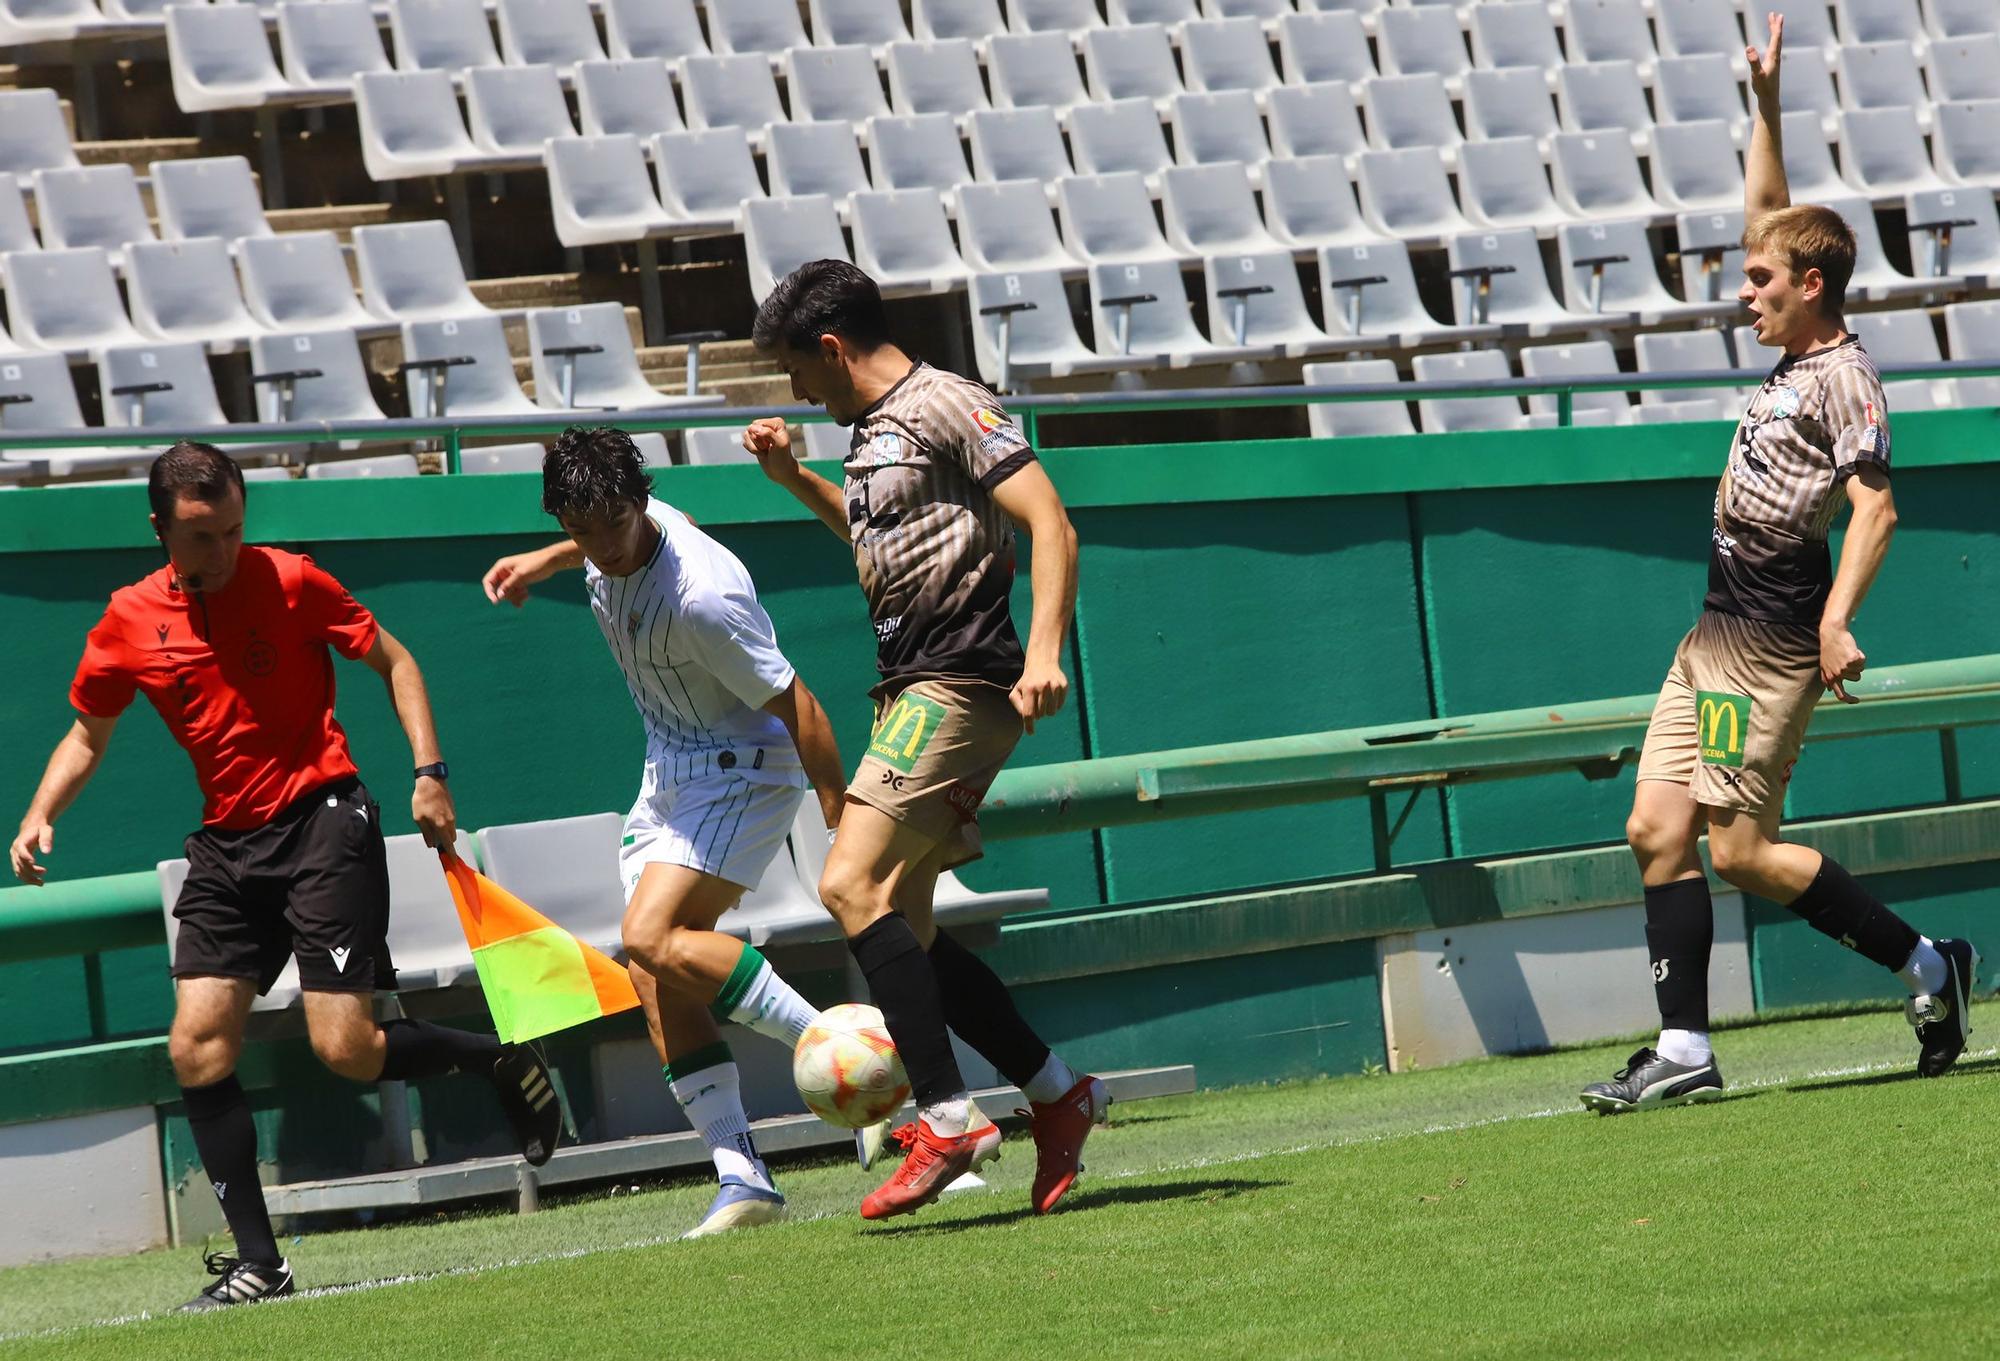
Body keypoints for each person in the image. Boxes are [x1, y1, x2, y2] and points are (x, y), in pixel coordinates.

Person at [8, 442, 561, 1310]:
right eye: (200, 536)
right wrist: (42, 813)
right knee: (195, 1045)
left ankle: (495, 1062)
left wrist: (430, 772)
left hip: (324, 822)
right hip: (229, 849)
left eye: (233, 529)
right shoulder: (126, 619)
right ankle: (261, 1264)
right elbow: (86, 733)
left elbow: (398, 662)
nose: (223, 552)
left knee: (344, 1049)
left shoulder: (294, 581)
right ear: (159, 530)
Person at [1580, 15, 1976, 1113]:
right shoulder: (1794, 324)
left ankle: (1930, 964)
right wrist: (1762, 105)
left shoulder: (1846, 378)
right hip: (1713, 635)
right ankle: (1682, 1048)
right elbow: (1768, 212)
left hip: (1763, 649)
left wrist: (1838, 619)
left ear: (1809, 285)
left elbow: (1876, 509)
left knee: (1742, 850)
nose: (1741, 289)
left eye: (1760, 279)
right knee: (1654, 827)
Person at [742, 260, 1103, 1221]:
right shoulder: (868, 436)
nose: (795, 393)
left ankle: (945, 1117)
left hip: (961, 681)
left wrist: (1044, 652)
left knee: (845, 884)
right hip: (909, 689)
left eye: (795, 370)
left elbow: (1049, 517)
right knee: (907, 917)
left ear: (830, 347)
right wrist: (793, 480)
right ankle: (1058, 1089)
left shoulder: (944, 401)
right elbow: (874, 540)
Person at [481, 426, 865, 1238]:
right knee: (654, 972)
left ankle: (852, 1057)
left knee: (652, 934)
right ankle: (742, 1173)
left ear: (641, 501)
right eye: (578, 530)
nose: (599, 547)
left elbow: (800, 704)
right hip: (669, 773)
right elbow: (590, 546)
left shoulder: (702, 595)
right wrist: (538, 563)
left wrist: (839, 816)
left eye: (611, 526)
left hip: (744, 770)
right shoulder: (598, 533)